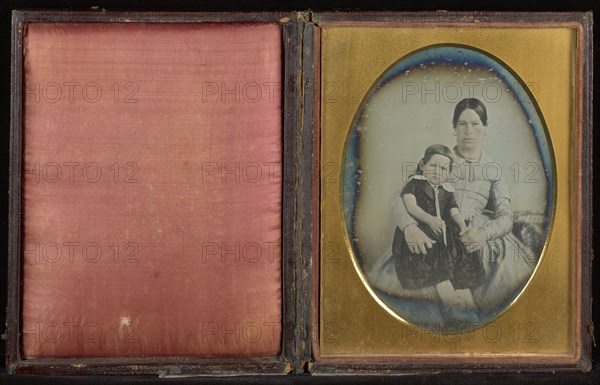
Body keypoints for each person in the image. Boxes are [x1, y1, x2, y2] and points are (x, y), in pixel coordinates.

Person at [368, 98, 537, 325]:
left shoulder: (493, 169)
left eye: (476, 124)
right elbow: (402, 195)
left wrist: (483, 234)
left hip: (474, 234)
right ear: (454, 127)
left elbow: (506, 217)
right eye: (462, 124)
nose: (469, 130)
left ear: (485, 127)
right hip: (433, 229)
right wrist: (409, 228)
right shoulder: (439, 159)